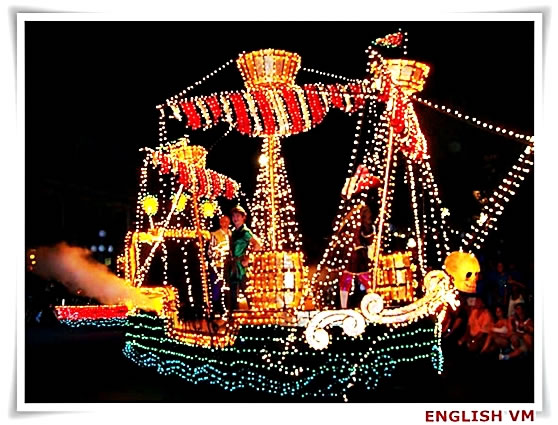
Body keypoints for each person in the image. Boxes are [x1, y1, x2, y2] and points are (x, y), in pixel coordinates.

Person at [224, 205, 262, 315]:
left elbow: (258, 244)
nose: (235, 218)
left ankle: (254, 314)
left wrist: (248, 258)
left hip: (241, 267)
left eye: (237, 216)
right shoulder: (233, 232)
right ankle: (233, 316)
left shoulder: (245, 232)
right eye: (233, 216)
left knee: (247, 291)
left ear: (243, 217)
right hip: (233, 266)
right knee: (232, 293)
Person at [209, 215, 232, 314]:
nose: (225, 223)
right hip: (218, 266)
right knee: (217, 288)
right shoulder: (215, 235)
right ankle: (217, 309)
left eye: (227, 221)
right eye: (223, 221)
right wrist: (218, 254)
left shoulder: (232, 234)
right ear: (220, 223)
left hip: (230, 265)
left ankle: (229, 308)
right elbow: (210, 251)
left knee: (229, 287)